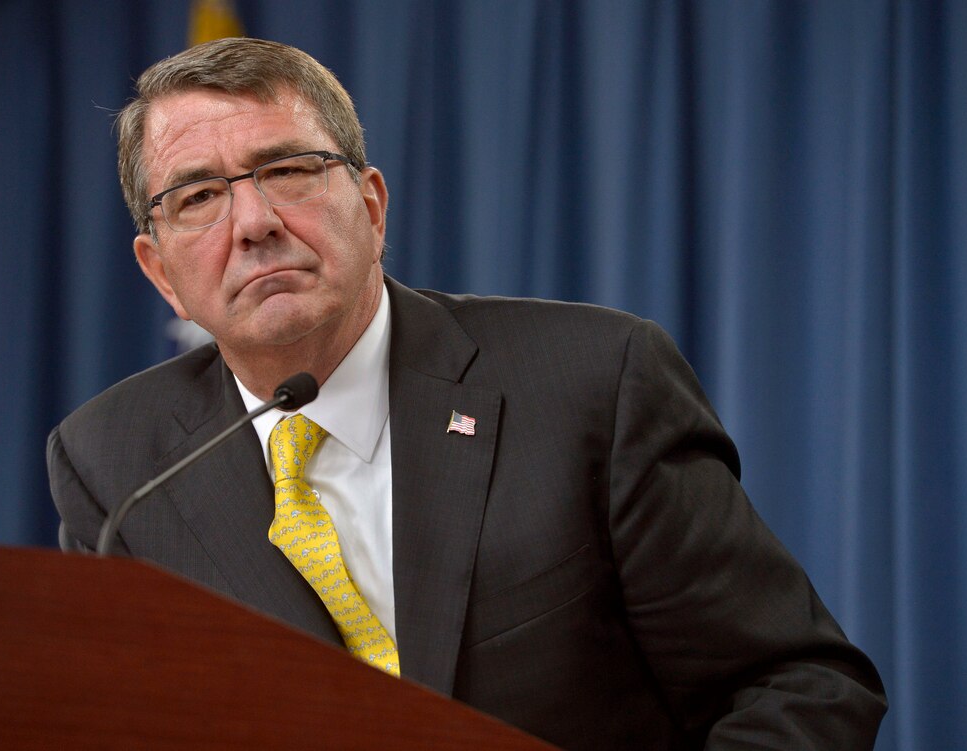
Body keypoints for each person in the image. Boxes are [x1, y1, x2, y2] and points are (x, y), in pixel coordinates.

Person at [48, 37, 886, 749]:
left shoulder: (593, 381)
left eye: (288, 170)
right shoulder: (116, 465)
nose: (254, 221)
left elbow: (801, 683)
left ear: (372, 208)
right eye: (198, 196)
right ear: (161, 273)